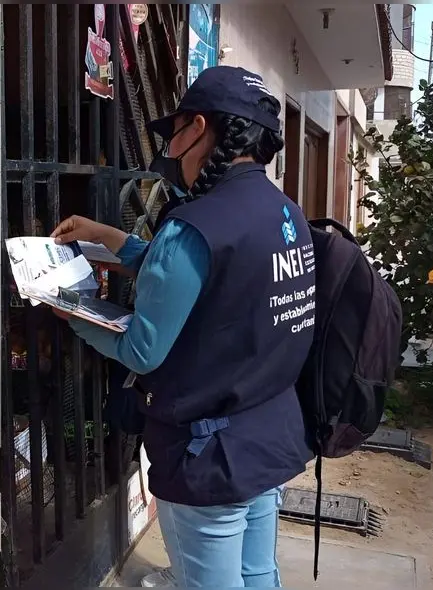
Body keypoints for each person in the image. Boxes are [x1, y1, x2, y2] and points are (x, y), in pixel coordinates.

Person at [50, 66, 316, 588]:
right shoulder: (287, 214)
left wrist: (73, 313)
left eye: (173, 134)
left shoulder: (192, 225)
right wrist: (110, 238)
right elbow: (216, 280)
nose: (171, 151)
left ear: (196, 128)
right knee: (259, 573)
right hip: (269, 436)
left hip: (208, 454)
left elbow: (142, 349)